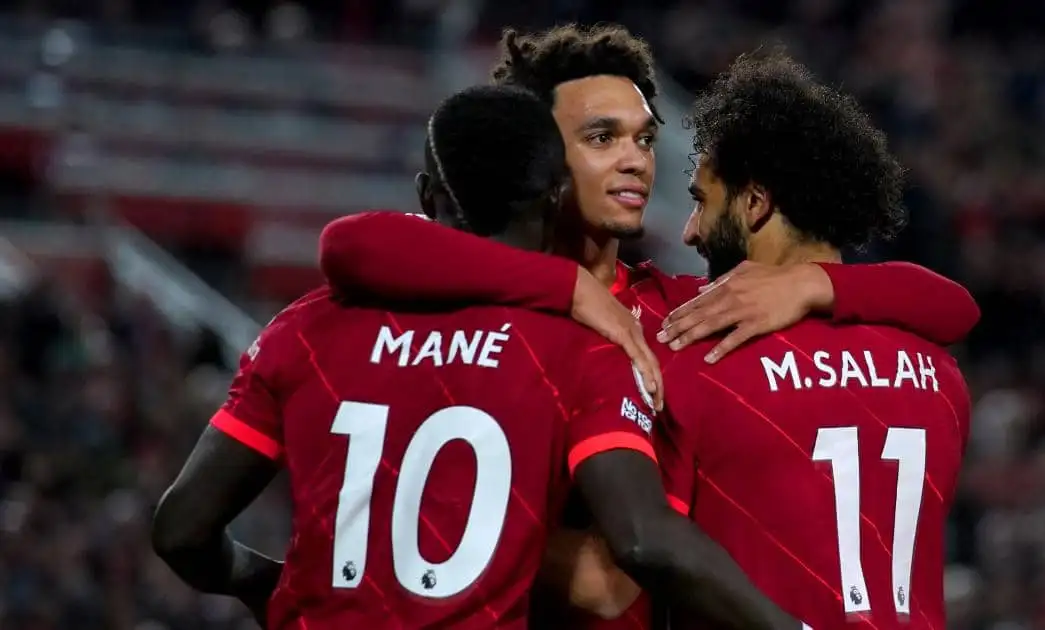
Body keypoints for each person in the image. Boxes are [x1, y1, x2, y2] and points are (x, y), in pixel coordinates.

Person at [317, 24, 979, 629]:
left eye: (644, 138)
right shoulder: (462, 306)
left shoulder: (686, 316)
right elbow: (350, 246)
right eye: (602, 138)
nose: (637, 159)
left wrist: (818, 282)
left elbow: (950, 307)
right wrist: (565, 284)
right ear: (540, 160)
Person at [150, 85, 801, 630]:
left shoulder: (309, 326)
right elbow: (642, 542)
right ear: (555, 199)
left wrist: (266, 585)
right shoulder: (580, 347)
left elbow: (181, 529)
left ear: (428, 195)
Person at [650, 48, 972, 629]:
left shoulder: (704, 360)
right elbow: (958, 305)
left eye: (701, 200)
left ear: (754, 203)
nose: (689, 230)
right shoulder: (940, 374)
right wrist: (819, 282)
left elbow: (653, 558)